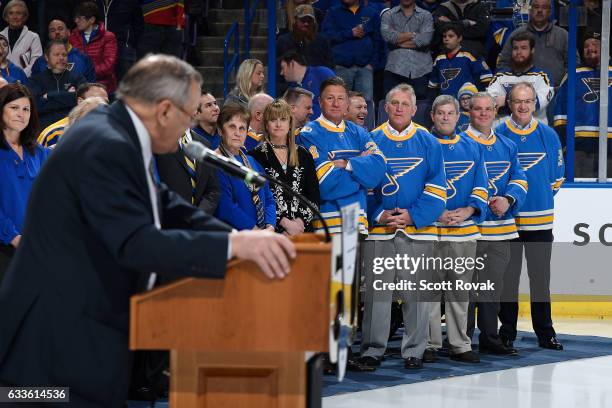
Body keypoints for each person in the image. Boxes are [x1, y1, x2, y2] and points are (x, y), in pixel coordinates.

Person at [0, 55, 295, 407]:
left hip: (82, 331)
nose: (190, 129)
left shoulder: (119, 133)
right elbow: (136, 242)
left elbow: (164, 203)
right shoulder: (104, 145)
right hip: (52, 344)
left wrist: (233, 237)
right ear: (164, 109)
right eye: (188, 115)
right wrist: (232, 250)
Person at [360, 83, 446, 370]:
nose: (398, 108)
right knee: (377, 294)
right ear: (385, 107)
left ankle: (414, 350)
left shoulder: (428, 141)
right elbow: (362, 188)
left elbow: (437, 188)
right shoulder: (370, 140)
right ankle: (372, 349)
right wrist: (379, 216)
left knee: (416, 294)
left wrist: (413, 216)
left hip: (417, 230)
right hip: (380, 231)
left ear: (413, 108)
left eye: (404, 104)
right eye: (393, 103)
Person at [496, 82, 565, 350]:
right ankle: (507, 331)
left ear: (535, 104)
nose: (523, 106)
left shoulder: (548, 134)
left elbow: (557, 178)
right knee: (507, 279)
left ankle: (545, 332)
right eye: (517, 101)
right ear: (510, 104)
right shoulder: (499, 133)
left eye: (528, 101)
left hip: (540, 220)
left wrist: (538, 198)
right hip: (508, 221)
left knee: (540, 279)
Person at [463, 92, 527, 355]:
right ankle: (461, 340)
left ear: (495, 111)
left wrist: (508, 199)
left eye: (488, 109)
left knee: (491, 287)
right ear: (469, 111)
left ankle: (490, 337)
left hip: (500, 229)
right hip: (467, 230)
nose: (483, 113)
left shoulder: (507, 145)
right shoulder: (459, 143)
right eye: (478, 109)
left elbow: (520, 179)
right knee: (464, 287)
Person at [426, 94, 488, 364]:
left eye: (450, 113)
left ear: (458, 116)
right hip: (430, 229)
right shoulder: (423, 145)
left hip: (464, 230)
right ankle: (428, 343)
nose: (446, 117)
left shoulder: (472, 147)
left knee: (459, 292)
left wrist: (469, 210)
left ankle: (459, 344)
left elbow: (482, 185)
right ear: (432, 116)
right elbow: (414, 185)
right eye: (441, 113)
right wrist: (434, 211)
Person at [297, 76, 386, 235]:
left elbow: (379, 168)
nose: (336, 104)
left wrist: (348, 164)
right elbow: (324, 184)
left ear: (347, 103)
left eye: (341, 98)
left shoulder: (358, 132)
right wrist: (362, 174)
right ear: (320, 101)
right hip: (327, 222)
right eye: (330, 98)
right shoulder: (309, 134)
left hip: (357, 221)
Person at [249, 99, 320, 234]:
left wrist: (299, 223)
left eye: (283, 119)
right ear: (266, 124)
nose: (278, 124)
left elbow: (314, 196)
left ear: (290, 123)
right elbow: (255, 197)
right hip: (271, 231)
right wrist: (284, 223)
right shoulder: (254, 156)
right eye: (273, 119)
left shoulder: (304, 154)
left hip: (302, 231)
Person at [0, 83, 46, 282]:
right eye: (14, 108)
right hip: (5, 247)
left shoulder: (37, 152)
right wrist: (12, 236)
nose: (21, 114)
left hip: (35, 246)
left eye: (26, 109)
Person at [553, 33, 612, 178]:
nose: (590, 48)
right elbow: (561, 108)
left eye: (595, 44)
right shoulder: (573, 74)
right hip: (579, 144)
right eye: (586, 46)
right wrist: (562, 141)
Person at [214, 103, 277, 230]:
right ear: (220, 130)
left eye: (242, 128)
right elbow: (225, 207)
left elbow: (269, 197)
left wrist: (270, 226)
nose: (237, 133)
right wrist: (256, 231)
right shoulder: (215, 162)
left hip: (261, 236)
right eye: (232, 127)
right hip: (236, 238)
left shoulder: (252, 161)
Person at [497, 0, 579, 87]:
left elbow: (574, 65)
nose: (539, 10)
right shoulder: (517, 34)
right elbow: (503, 64)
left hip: (556, 92)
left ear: (550, 11)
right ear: (530, 10)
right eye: (536, 7)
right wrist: (514, 85)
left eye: (544, 7)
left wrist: (563, 86)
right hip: (523, 93)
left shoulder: (563, 35)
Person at [486, 31, 554, 125]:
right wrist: (525, 101)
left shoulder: (542, 76)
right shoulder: (500, 76)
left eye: (524, 48)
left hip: (533, 134)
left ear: (532, 50)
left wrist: (505, 101)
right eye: (515, 48)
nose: (518, 52)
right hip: (503, 133)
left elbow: (536, 105)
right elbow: (488, 105)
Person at [321, 0, 383, 102]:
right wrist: (350, 33)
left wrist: (372, 64)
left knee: (365, 105)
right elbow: (326, 37)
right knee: (340, 104)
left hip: (365, 68)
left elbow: (378, 41)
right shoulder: (332, 12)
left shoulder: (371, 13)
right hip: (341, 67)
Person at [156, 123, 221, 215]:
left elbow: (213, 190)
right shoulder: (160, 142)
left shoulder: (205, 144)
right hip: (170, 220)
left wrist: (198, 216)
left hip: (199, 223)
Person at [380, 0, 434, 98]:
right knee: (392, 104)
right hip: (395, 68)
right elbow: (388, 37)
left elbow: (424, 40)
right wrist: (412, 34)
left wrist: (397, 42)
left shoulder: (426, 15)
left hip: (421, 69)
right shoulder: (388, 15)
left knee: (421, 107)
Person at [29, 40, 87, 129]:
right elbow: (36, 106)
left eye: (64, 55)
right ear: (47, 57)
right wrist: (69, 96)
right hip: (44, 129)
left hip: (72, 127)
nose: (61, 58)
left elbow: (84, 101)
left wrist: (49, 96)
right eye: (56, 55)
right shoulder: (36, 80)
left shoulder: (77, 78)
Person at [428, 24, 492, 98]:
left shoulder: (470, 56)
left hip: (468, 102)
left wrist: (478, 97)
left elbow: (486, 78)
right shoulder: (439, 59)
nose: (446, 39)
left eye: (451, 36)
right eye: (444, 36)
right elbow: (433, 85)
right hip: (446, 103)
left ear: (459, 38)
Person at [37, 82, 108, 147]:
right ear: (80, 101)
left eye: (106, 102)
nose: (103, 104)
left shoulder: (110, 132)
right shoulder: (53, 134)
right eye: (97, 99)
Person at [69, 1, 118, 93]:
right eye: (75, 17)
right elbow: (70, 62)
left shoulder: (108, 37)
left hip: (103, 87)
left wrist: (87, 73)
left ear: (91, 20)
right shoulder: (72, 37)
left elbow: (108, 66)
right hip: (79, 87)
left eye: (80, 18)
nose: (76, 21)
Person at [31, 17, 96, 82]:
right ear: (49, 35)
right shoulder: (40, 62)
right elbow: (34, 87)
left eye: (60, 29)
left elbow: (91, 87)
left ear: (68, 32)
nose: (57, 32)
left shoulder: (83, 59)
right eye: (52, 30)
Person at [279, 51, 335, 118]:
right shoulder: (292, 90)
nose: (281, 73)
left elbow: (337, 100)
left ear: (292, 64)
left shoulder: (322, 73)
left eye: (283, 68)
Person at [277, 4, 334, 69]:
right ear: (295, 20)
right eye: (303, 20)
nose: (306, 24)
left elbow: (330, 65)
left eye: (309, 21)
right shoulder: (284, 41)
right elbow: (277, 66)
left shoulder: (322, 41)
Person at [0, 0, 42, 76]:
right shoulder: (0, 36)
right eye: (11, 13)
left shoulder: (33, 37)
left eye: (18, 13)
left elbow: (36, 62)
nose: (15, 17)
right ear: (6, 17)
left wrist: (19, 76)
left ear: (25, 17)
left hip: (25, 82)